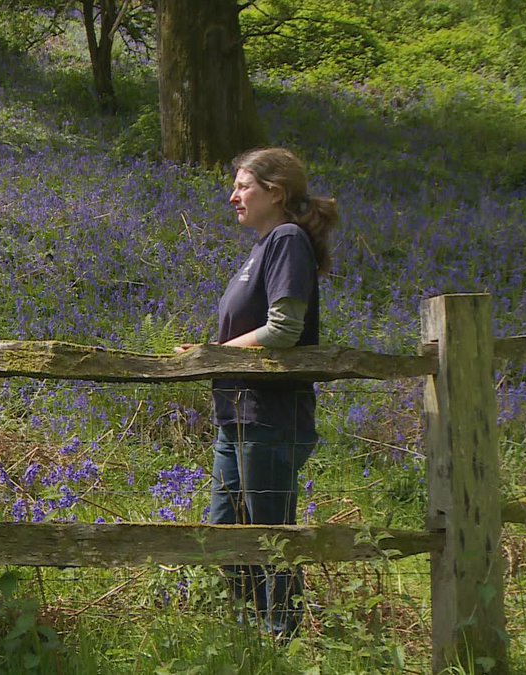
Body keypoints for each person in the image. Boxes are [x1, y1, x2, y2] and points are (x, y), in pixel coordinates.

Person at [176, 147, 338, 637]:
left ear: (276, 192)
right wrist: (217, 357)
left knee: (270, 533)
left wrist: (214, 353)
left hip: (270, 415)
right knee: (226, 530)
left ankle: (279, 636)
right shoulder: (264, 247)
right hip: (238, 413)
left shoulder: (287, 239)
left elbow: (285, 328)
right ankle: (247, 634)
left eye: (244, 186)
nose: (233, 197)